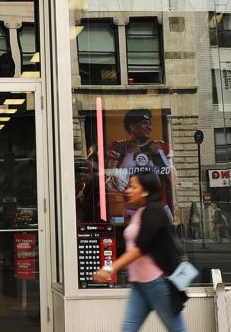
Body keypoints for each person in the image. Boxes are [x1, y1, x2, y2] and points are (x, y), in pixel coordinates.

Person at [91, 171, 188, 332]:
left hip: (157, 282)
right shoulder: (141, 212)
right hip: (139, 283)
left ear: (145, 191)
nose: (128, 190)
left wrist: (110, 268)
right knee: (128, 329)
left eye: (132, 186)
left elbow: (140, 249)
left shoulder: (155, 210)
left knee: (177, 329)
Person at [104, 109, 175, 219]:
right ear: (132, 126)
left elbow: (172, 178)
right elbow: (118, 184)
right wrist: (129, 154)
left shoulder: (161, 146)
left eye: (150, 123)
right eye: (145, 123)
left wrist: (159, 153)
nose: (149, 127)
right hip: (131, 209)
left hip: (158, 207)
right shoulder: (118, 147)